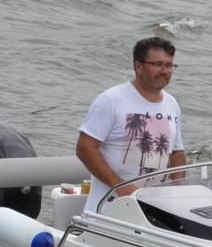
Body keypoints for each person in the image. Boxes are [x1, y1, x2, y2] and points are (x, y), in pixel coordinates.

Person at [75, 37, 187, 213]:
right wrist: (120, 186)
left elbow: (177, 152)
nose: (165, 71)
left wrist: (179, 190)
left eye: (169, 65)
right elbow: (85, 148)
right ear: (138, 66)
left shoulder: (172, 104)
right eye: (158, 64)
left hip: (152, 212)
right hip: (107, 211)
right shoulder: (111, 100)